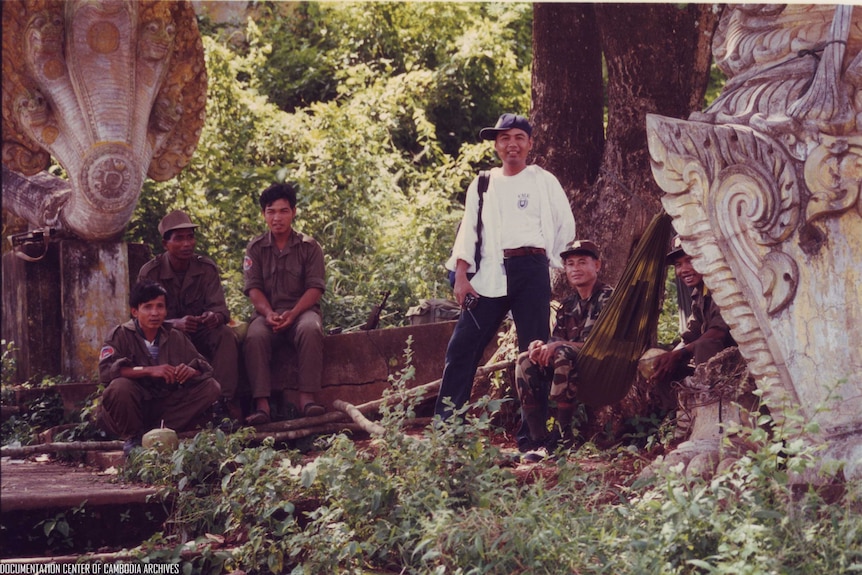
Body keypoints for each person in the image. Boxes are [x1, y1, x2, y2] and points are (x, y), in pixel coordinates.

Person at [436, 113, 576, 427]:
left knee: (535, 352)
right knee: (462, 347)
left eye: (518, 138)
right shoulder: (483, 182)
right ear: (497, 145)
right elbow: (468, 231)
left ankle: (534, 437)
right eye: (505, 138)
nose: (512, 144)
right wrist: (461, 276)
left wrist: (551, 261)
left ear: (529, 144)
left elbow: (564, 223)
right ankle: (445, 428)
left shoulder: (543, 179)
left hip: (531, 270)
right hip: (488, 274)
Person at [137, 210, 242, 424]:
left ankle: (222, 402)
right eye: (179, 238)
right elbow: (140, 319)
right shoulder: (151, 273)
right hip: (166, 338)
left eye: (190, 237)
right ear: (165, 243)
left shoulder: (206, 268)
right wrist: (172, 323)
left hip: (201, 333)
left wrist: (214, 317)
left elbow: (222, 310)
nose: (187, 244)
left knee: (225, 335)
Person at [514, 240, 614, 460]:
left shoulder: (609, 298)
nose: (575, 269)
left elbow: (600, 345)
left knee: (562, 352)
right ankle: (538, 441)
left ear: (597, 265)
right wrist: (540, 347)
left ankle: (563, 437)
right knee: (524, 360)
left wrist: (558, 345)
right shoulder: (567, 304)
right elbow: (557, 339)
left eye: (582, 262)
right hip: (568, 363)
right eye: (570, 264)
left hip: (602, 365)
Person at [97, 280, 221, 455]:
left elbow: (204, 368)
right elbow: (107, 373)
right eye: (147, 307)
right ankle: (133, 437)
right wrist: (148, 370)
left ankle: (158, 432)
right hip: (133, 406)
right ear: (135, 311)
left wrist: (191, 371)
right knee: (119, 387)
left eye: (160, 307)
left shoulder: (175, 336)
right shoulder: (120, 335)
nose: (154, 313)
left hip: (165, 407)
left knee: (211, 387)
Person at [242, 182, 326, 425]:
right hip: (268, 315)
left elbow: (315, 288)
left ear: (294, 212)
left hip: (302, 312)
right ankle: (262, 405)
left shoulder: (309, 247)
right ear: (264, 214)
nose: (277, 218)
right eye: (271, 211)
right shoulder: (255, 248)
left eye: (283, 211)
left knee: (311, 328)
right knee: (254, 335)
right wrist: (268, 313)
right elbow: (253, 288)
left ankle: (307, 400)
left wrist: (294, 313)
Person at [647, 236, 736, 406]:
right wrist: (667, 358)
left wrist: (679, 354)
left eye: (690, 260)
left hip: (738, 362)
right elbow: (689, 336)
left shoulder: (723, 286)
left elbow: (717, 332)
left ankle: (713, 408)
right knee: (663, 366)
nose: (683, 270)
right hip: (711, 367)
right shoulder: (699, 293)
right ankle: (686, 414)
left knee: (705, 345)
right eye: (678, 265)